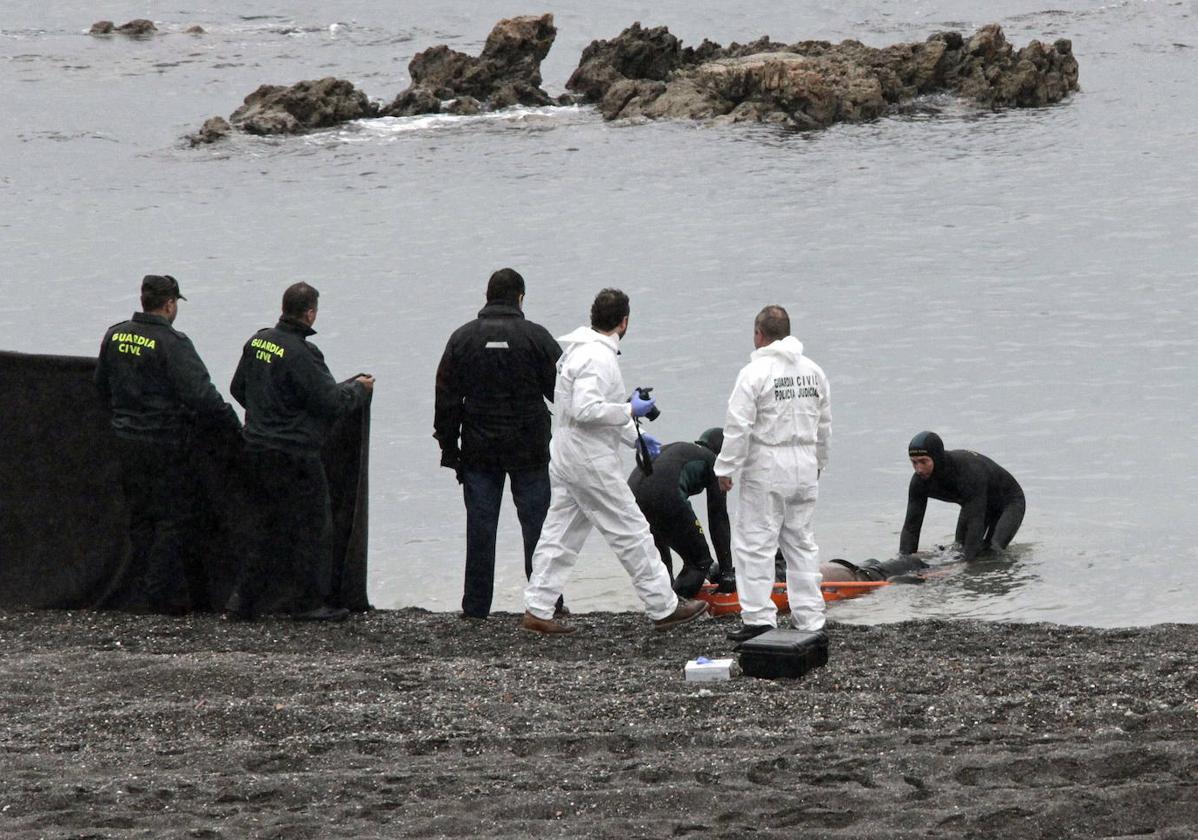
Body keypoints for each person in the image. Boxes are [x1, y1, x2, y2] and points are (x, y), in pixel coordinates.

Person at [521, 288, 709, 634]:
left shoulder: (579, 351)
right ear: (624, 321)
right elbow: (586, 409)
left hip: (566, 454)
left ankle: (538, 606)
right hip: (588, 461)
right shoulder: (598, 358)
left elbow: (581, 412)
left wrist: (633, 435)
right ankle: (663, 606)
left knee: (560, 532)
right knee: (632, 530)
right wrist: (628, 409)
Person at [94, 274, 241, 614]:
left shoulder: (115, 335)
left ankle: (138, 590)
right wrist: (233, 428)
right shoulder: (173, 342)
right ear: (170, 304)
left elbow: (101, 385)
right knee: (172, 519)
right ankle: (161, 595)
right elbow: (201, 396)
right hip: (164, 442)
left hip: (125, 440)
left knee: (140, 517)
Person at [227, 282, 374, 622]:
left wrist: (267, 414)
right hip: (294, 455)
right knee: (313, 526)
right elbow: (330, 402)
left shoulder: (258, 341)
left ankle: (243, 600)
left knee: (267, 525)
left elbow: (238, 388)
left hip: (256, 447)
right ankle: (308, 602)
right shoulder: (302, 353)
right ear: (309, 313)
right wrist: (358, 389)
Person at [434, 268, 564, 620]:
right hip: (530, 450)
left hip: (479, 450)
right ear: (520, 297)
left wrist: (449, 449)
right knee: (538, 528)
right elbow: (562, 395)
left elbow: (446, 398)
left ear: (487, 295)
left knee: (481, 529)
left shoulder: (462, 339)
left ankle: (476, 609)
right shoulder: (536, 337)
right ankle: (546, 604)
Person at [715, 304, 831, 643]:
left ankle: (759, 618)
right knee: (801, 541)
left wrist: (726, 467)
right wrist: (821, 460)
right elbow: (825, 423)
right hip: (805, 460)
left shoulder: (755, 373)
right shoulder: (813, 371)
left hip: (768, 460)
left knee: (755, 543)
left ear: (758, 334)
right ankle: (810, 616)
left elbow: (739, 426)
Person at [628, 427, 735, 598]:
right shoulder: (715, 462)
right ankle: (676, 606)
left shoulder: (685, 450)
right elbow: (718, 519)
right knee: (700, 562)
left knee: (661, 563)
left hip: (632, 495)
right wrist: (726, 572)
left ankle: (663, 603)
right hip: (665, 493)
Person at [900, 431, 1025, 561]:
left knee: (993, 551)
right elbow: (911, 527)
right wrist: (904, 561)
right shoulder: (919, 482)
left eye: (923, 462)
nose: (919, 469)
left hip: (1009, 503)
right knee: (958, 548)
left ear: (937, 458)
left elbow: (974, 522)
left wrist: (964, 566)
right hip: (973, 502)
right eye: (914, 462)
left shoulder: (968, 472)